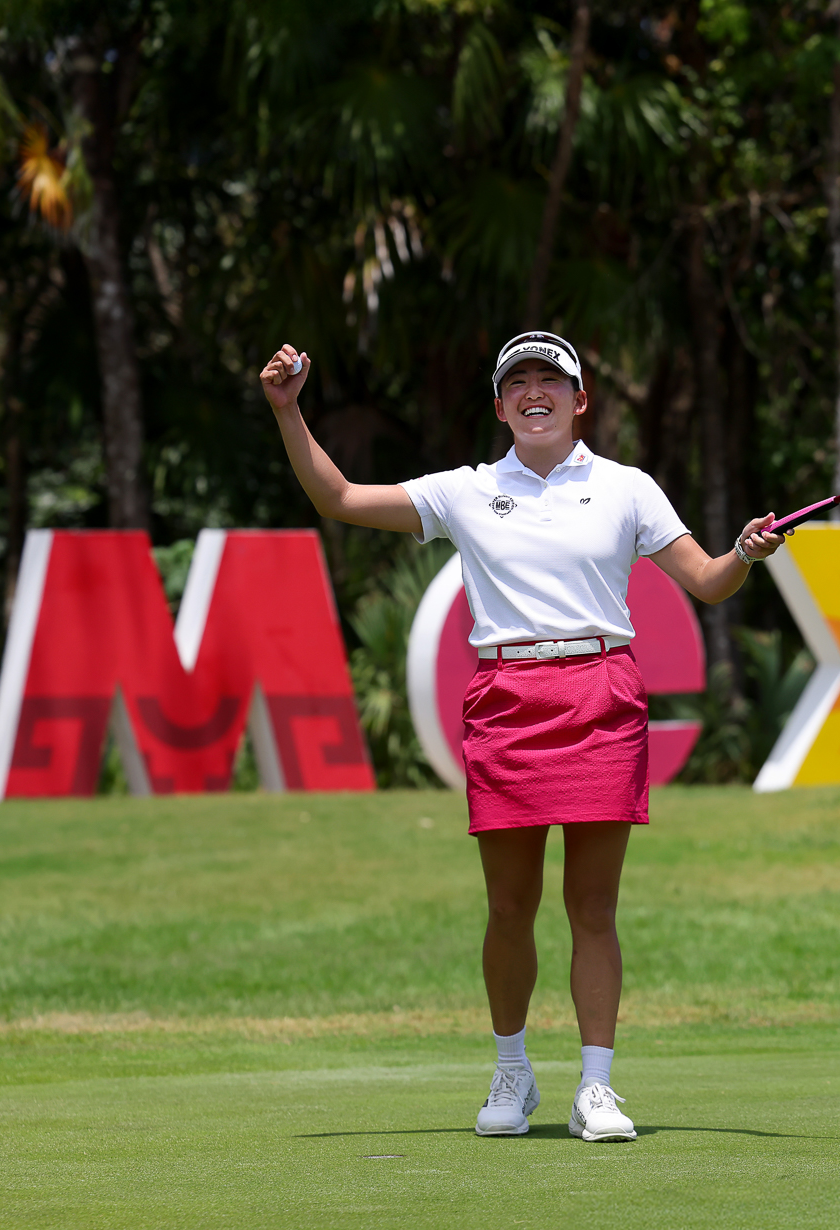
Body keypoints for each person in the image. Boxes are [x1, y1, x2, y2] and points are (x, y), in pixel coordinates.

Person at [259, 331, 788, 1142]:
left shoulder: (627, 488)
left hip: (602, 692)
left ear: (581, 401)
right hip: (507, 696)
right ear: (500, 405)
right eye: (518, 382)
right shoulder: (466, 491)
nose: (533, 391)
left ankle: (597, 1088)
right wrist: (289, 412)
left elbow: (710, 581)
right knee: (510, 904)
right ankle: (512, 1071)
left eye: (552, 379)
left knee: (594, 906)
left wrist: (746, 553)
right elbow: (339, 497)